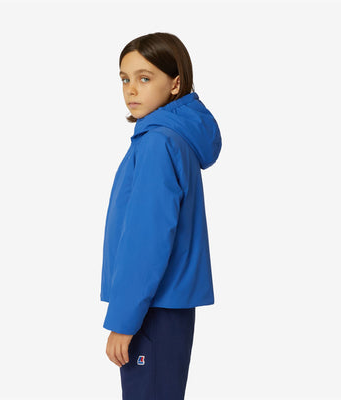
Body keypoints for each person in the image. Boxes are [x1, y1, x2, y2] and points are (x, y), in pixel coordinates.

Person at [100, 32, 222, 400]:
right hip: (165, 308)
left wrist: (124, 321)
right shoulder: (173, 139)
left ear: (176, 84)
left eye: (145, 77)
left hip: (151, 307)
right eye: (125, 79)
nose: (131, 89)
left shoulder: (157, 143)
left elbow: (146, 240)